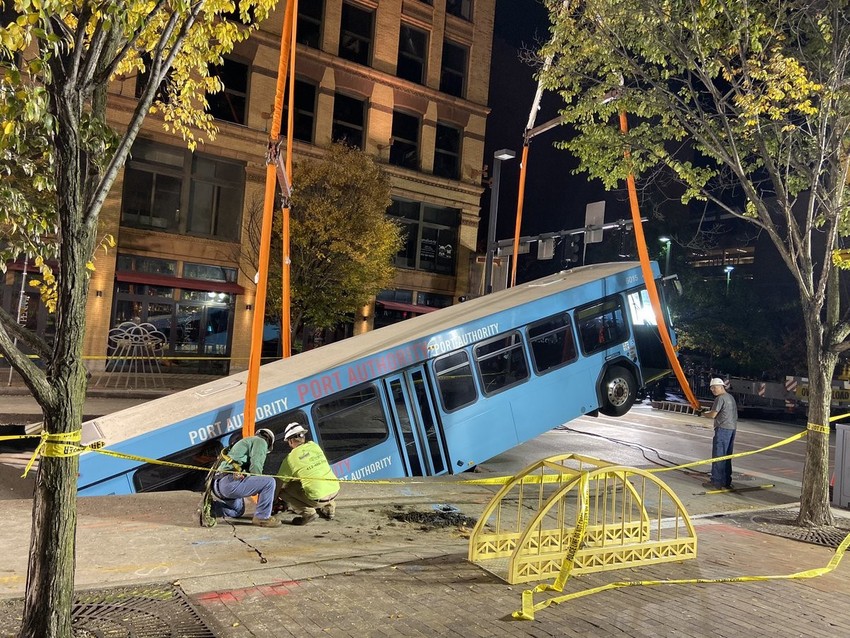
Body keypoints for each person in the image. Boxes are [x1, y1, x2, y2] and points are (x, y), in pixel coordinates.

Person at [210, 428, 282, 527]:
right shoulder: (261, 441)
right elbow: (256, 465)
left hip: (217, 485)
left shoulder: (244, 443)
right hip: (229, 483)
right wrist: (260, 487)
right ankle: (262, 517)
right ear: (269, 442)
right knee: (269, 482)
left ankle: (210, 509)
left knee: (237, 511)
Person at [277, 422, 340, 525]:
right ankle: (329, 509)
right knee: (312, 479)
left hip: (317, 499)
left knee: (283, 491)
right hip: (335, 490)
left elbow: (279, 482)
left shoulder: (290, 458)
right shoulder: (314, 446)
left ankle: (308, 513)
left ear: (291, 440)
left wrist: (274, 500)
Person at [700, 377, 738, 490]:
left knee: (718, 455)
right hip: (732, 429)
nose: (712, 390)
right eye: (711, 388)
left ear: (721, 387)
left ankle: (716, 481)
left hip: (722, 429)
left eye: (714, 387)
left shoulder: (720, 398)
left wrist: (702, 413)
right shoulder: (730, 397)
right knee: (727, 456)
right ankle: (726, 481)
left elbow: (712, 415)